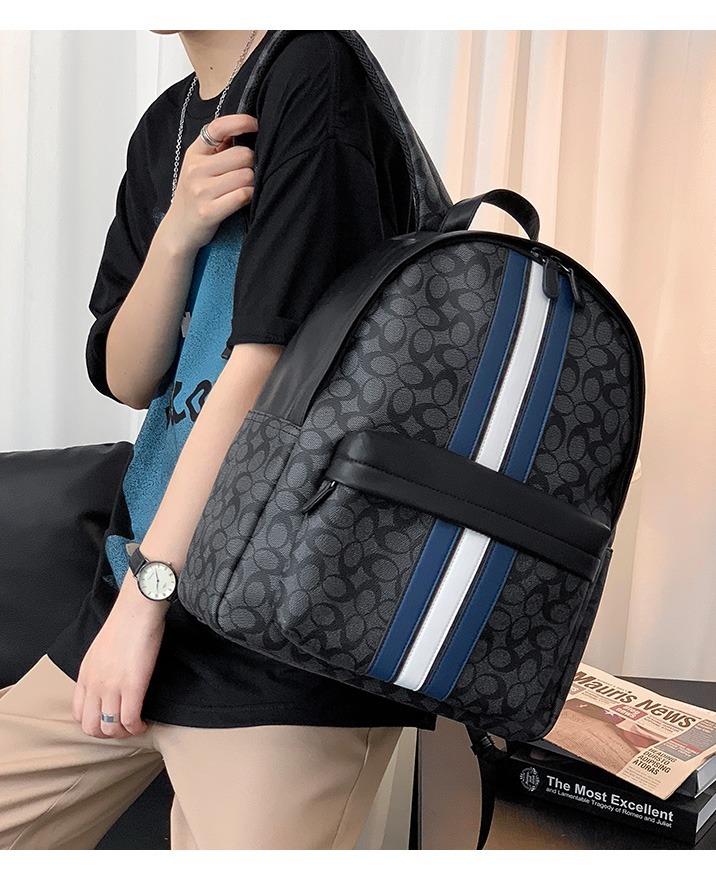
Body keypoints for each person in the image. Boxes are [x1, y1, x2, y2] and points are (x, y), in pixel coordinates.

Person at [0, 29, 437, 851]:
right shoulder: (165, 126)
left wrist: (148, 596)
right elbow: (128, 375)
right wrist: (177, 233)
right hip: (137, 598)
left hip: (276, 636)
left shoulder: (312, 66)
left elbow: (270, 371)